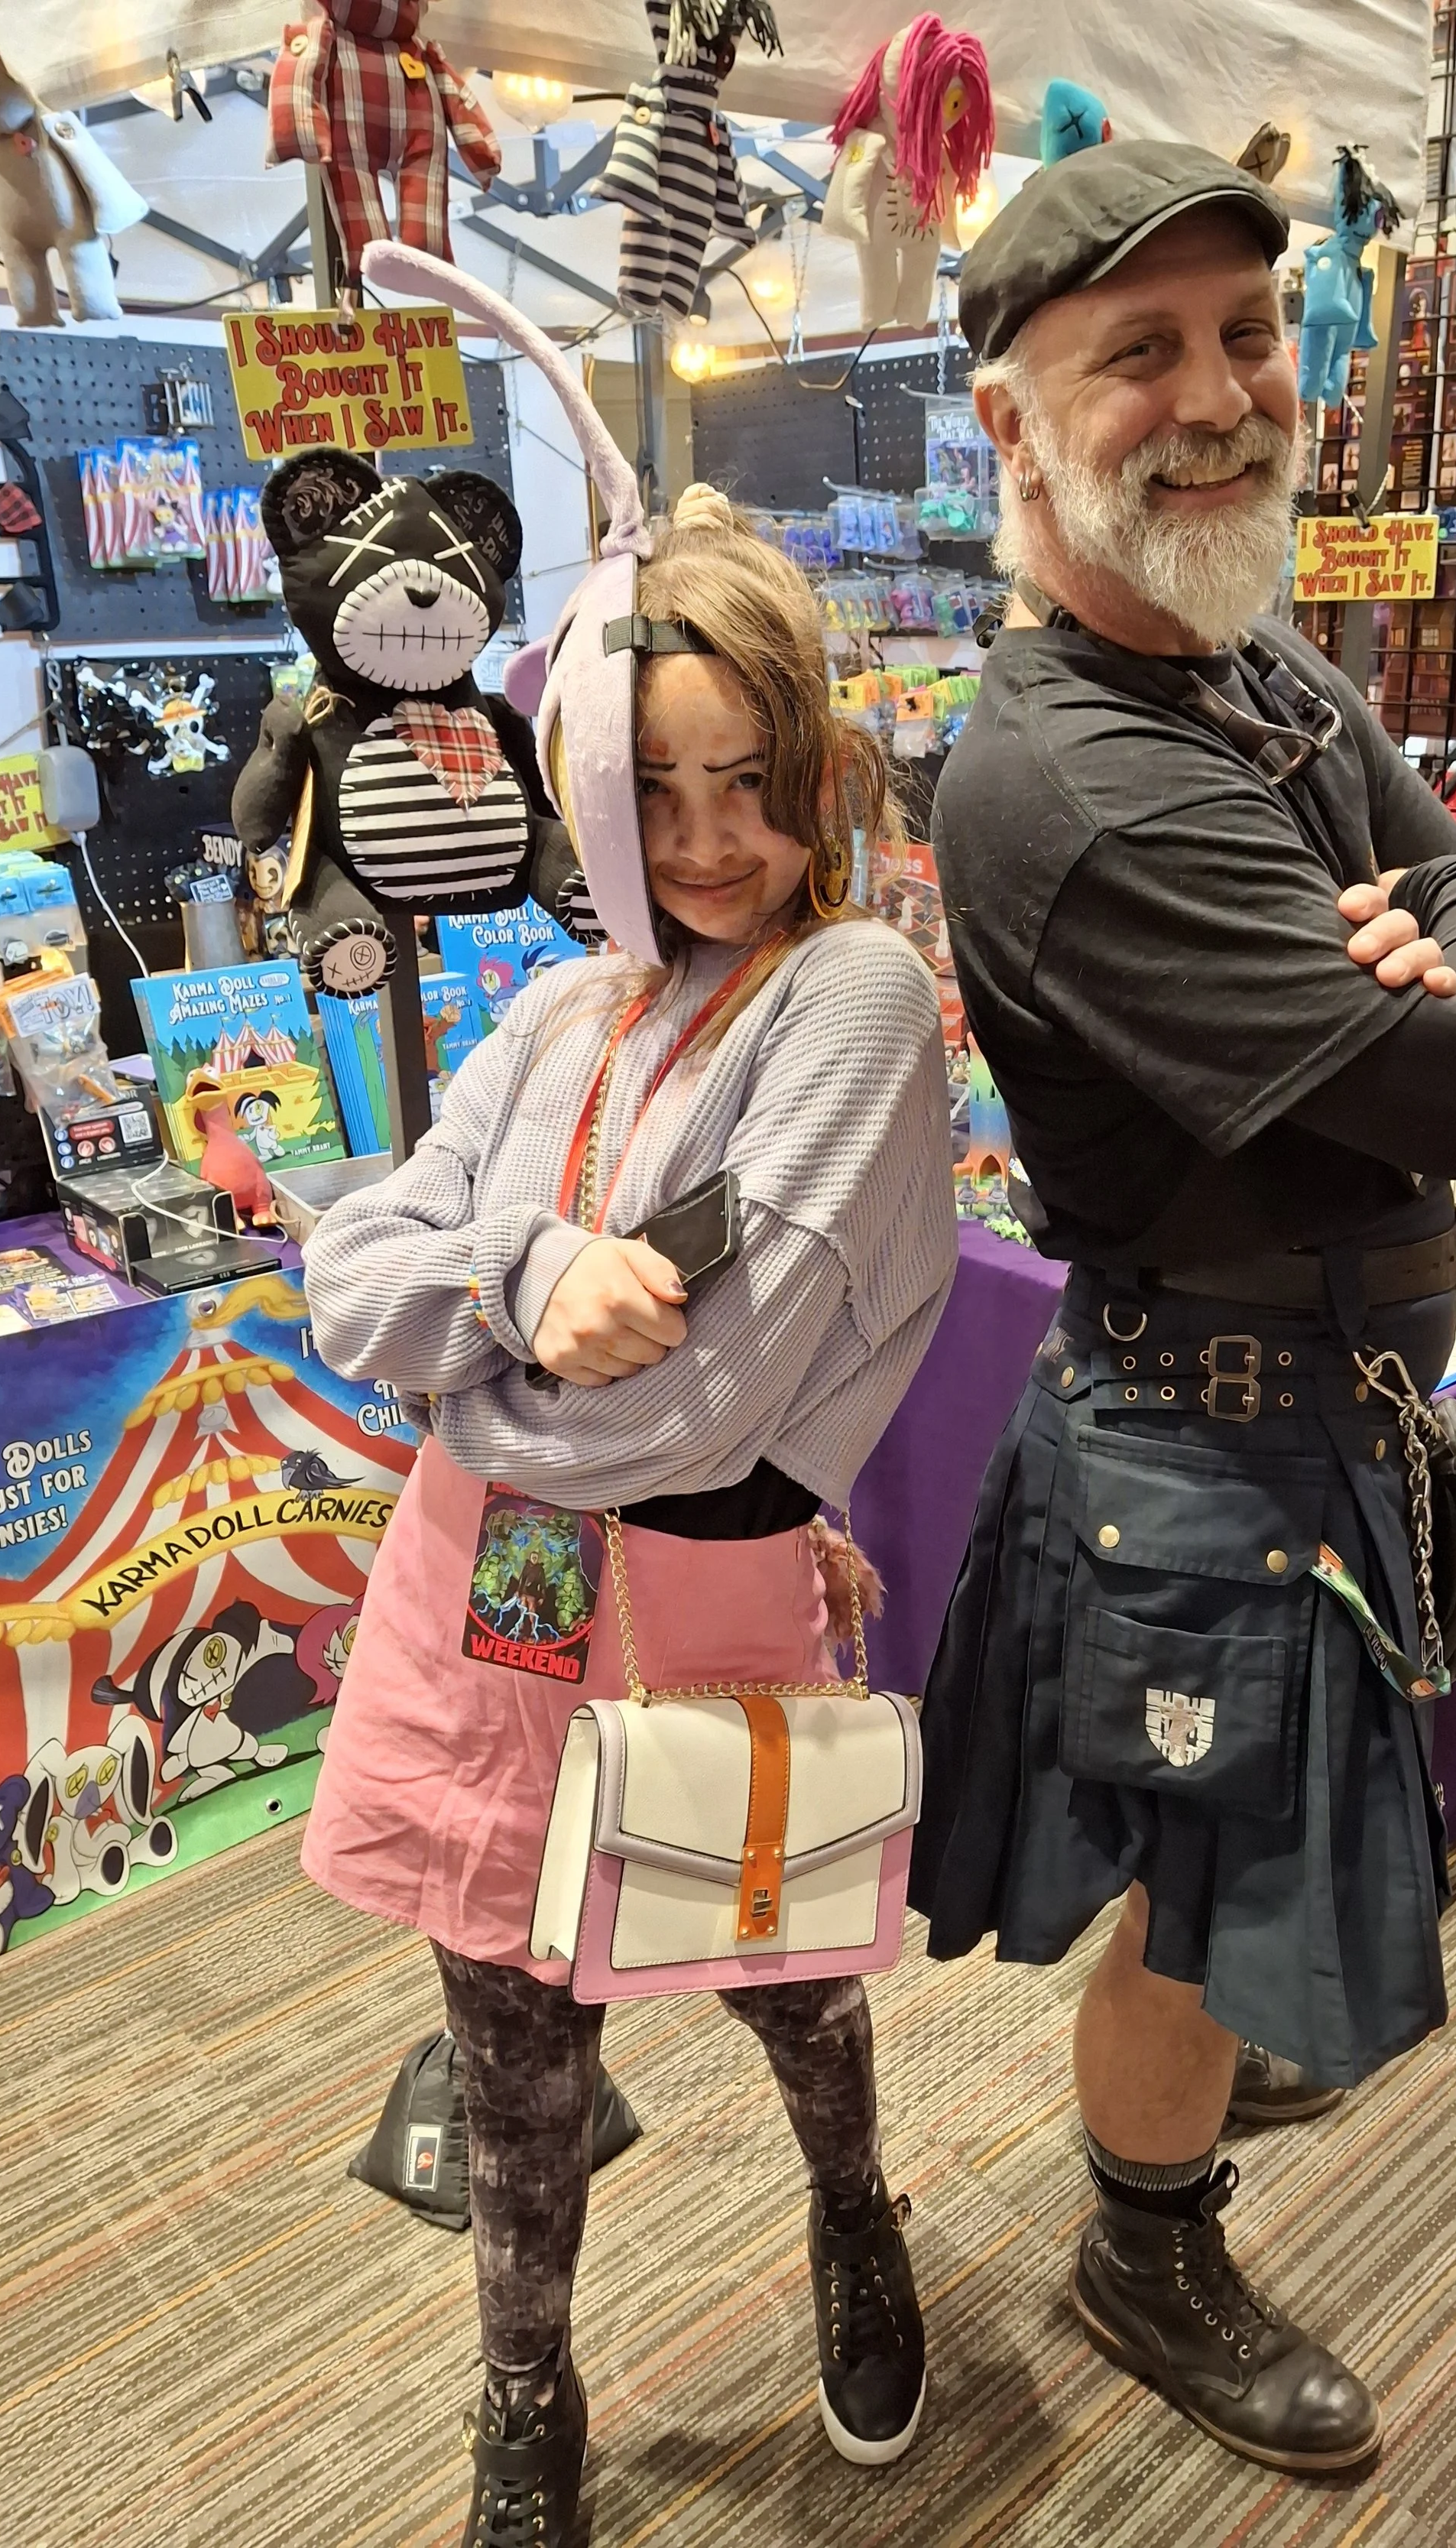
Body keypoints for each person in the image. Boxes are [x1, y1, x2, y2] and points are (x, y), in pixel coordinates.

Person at [907, 143, 1456, 2476]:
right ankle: (1141, 2240)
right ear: (1010, 422)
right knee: (1198, 1892)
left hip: (1306, 1412)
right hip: (1204, 1444)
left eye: (1247, 336)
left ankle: (1195, 2083)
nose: (1218, 395)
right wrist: (1451, 956)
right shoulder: (1070, 778)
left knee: (1247, 1851)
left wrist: (1453, 928)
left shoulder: (1242, 661)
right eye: (1140, 354)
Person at [299, 485, 956, 2543]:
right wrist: (517, 1285)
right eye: (651, 787)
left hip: (706, 1583)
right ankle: (526, 2388)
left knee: (781, 1968)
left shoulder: (848, 996)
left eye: (745, 778)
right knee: (509, 2022)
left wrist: (459, 1361)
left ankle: (854, 2211)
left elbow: (684, 1412)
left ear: (813, 764)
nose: (701, 840)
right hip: (483, 1602)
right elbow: (348, 1273)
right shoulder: (563, 1004)